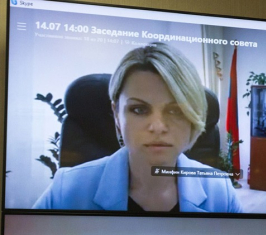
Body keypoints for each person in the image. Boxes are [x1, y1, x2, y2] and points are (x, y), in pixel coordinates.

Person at [33, 43, 242, 213]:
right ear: (117, 115)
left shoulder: (220, 192)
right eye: (139, 110)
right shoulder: (66, 190)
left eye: (175, 111)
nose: (158, 127)